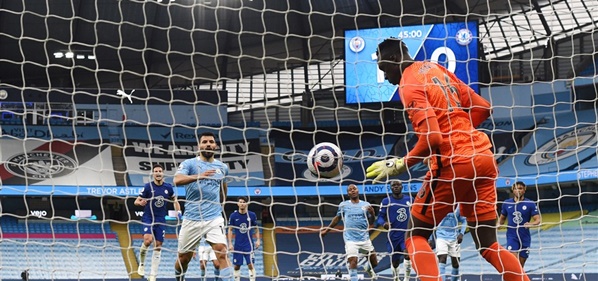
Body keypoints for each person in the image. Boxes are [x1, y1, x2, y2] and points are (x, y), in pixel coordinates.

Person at [366, 37, 530, 281]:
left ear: (392, 59)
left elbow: (432, 138)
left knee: (415, 235)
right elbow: (483, 107)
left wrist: (401, 163)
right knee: (488, 245)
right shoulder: (437, 69)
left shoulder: (408, 85)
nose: (386, 76)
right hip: (483, 157)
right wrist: (456, 133)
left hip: (453, 162)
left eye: (383, 68)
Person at [173, 131, 233, 281]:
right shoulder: (189, 164)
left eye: (211, 142)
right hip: (192, 218)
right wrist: (200, 175)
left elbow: (223, 187)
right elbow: (177, 179)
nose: (208, 144)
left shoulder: (222, 167)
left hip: (214, 217)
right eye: (204, 141)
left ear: (216, 146)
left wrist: (220, 204)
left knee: (222, 252)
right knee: (183, 258)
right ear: (199, 146)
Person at [321, 184, 378, 281]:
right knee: (353, 261)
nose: (352, 190)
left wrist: (372, 214)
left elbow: (371, 222)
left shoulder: (366, 205)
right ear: (348, 193)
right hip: (350, 239)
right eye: (350, 190)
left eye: (354, 189)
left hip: (364, 238)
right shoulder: (343, 205)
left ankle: (368, 268)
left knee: (374, 263)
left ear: (358, 191)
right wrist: (327, 230)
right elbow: (337, 218)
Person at [135, 164, 181, 281]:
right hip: (148, 217)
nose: (158, 173)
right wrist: (140, 203)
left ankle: (153, 275)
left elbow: (175, 200)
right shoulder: (147, 187)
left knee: (158, 246)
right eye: (156, 171)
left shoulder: (168, 187)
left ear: (163, 173)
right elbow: (136, 201)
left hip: (161, 219)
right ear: (153, 173)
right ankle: (142, 264)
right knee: (148, 240)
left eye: (160, 171)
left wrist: (179, 212)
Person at [498, 181, 541, 267]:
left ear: (524, 190)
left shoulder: (530, 204)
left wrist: (531, 224)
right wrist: (498, 225)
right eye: (515, 188)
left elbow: (538, 220)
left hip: (525, 237)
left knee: (520, 266)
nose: (518, 190)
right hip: (512, 236)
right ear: (512, 190)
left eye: (520, 188)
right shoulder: (507, 203)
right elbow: (502, 219)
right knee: (514, 263)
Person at [376, 180, 412, 281]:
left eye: (398, 185)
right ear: (390, 188)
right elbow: (380, 218)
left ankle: (406, 279)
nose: (396, 187)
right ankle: (396, 278)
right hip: (393, 236)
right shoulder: (386, 201)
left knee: (407, 254)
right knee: (395, 262)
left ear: (402, 186)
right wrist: (384, 224)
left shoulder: (410, 199)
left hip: (406, 234)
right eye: (393, 185)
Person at [228, 196, 261, 281]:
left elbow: (256, 229)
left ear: (247, 203)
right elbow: (230, 230)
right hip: (238, 245)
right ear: (237, 204)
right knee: (236, 266)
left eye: (243, 202)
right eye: (240, 202)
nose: (242, 204)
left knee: (250, 265)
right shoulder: (233, 216)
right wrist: (230, 243)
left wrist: (258, 240)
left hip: (248, 244)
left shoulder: (252, 215)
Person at [430, 205, 467, 281]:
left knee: (456, 264)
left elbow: (464, 220)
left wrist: (461, 233)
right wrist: (430, 238)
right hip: (441, 237)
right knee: (442, 259)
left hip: (454, 238)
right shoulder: (440, 204)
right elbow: (431, 221)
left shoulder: (458, 206)